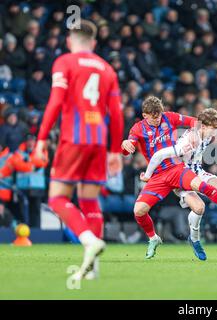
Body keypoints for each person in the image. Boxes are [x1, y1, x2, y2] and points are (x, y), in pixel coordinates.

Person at [34, 20, 124, 281]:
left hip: (73, 138)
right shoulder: (107, 69)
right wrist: (115, 150)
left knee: (57, 199)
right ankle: (93, 268)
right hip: (98, 140)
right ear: (94, 43)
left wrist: (41, 139)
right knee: (89, 200)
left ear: (69, 41)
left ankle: (88, 241)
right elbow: (116, 113)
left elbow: (56, 101)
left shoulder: (65, 62)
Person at [121, 96, 217, 260]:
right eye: (212, 128)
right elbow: (156, 153)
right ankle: (195, 239)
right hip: (180, 173)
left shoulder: (198, 128)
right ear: (145, 115)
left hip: (196, 171)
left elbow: (211, 127)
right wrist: (143, 169)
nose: (216, 132)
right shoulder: (187, 142)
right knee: (199, 208)